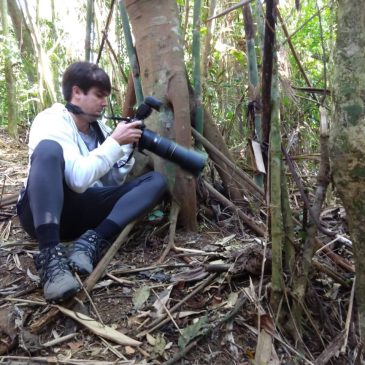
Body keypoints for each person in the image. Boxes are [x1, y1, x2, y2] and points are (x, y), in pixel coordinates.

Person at [17, 61, 168, 303]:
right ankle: (50, 258)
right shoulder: (51, 120)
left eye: (106, 96)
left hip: (82, 213)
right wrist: (113, 143)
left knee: (156, 180)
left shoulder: (99, 128)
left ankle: (91, 242)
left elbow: (111, 180)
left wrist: (125, 147)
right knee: (48, 150)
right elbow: (77, 180)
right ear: (77, 92)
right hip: (40, 214)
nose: (104, 102)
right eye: (99, 95)